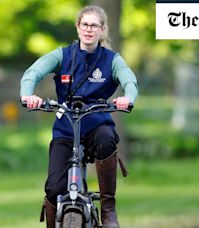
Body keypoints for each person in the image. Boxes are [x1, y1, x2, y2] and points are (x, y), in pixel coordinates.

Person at [20, 5, 138, 228]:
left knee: (106, 140)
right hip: (66, 127)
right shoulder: (62, 55)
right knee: (54, 188)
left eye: (94, 25)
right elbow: (32, 73)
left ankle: (108, 210)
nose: (89, 29)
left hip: (96, 123)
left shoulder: (112, 60)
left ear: (102, 29)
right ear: (78, 27)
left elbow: (129, 81)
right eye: (85, 24)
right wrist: (28, 95)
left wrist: (127, 98)